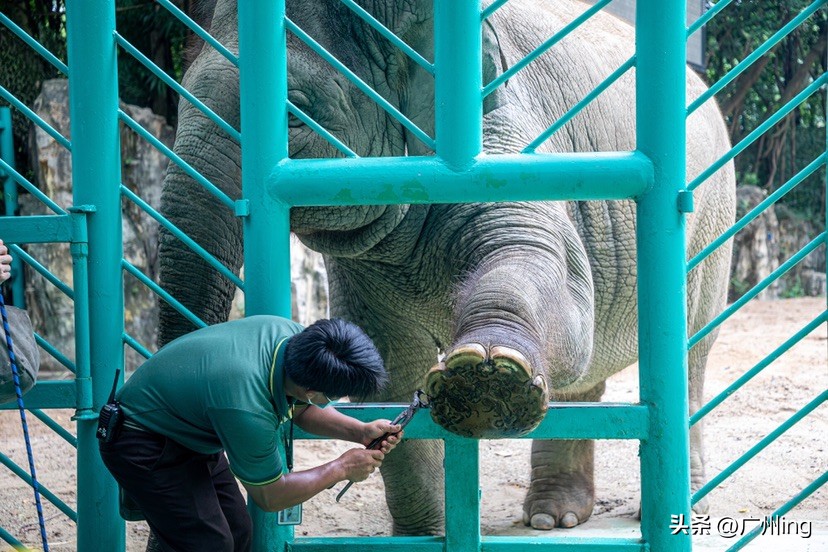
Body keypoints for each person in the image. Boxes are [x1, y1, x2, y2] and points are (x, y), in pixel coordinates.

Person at [99, 315, 402, 552]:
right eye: (333, 397)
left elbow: (299, 406)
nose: (334, 403)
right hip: (139, 440)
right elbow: (271, 495)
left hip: (188, 432)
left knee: (238, 531)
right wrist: (342, 467)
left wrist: (360, 431)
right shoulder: (246, 408)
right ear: (311, 390)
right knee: (208, 545)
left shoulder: (299, 340)